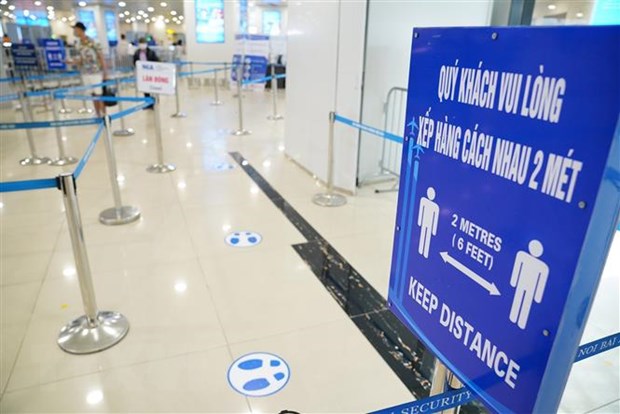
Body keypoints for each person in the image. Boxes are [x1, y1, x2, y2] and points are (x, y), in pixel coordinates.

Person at [70, 22, 108, 116]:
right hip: (85, 72)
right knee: (92, 94)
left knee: (99, 94)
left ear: (80, 29)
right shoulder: (78, 44)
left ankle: (104, 115)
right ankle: (97, 113)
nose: (74, 32)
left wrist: (105, 72)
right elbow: (81, 59)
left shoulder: (93, 42)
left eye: (75, 29)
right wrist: (72, 62)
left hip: (95, 72)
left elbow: (101, 56)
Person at [133, 37, 159, 109]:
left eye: (143, 43)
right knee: (145, 88)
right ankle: (148, 103)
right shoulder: (137, 53)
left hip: (151, 73)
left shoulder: (151, 52)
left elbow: (156, 61)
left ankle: (154, 102)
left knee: (153, 88)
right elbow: (134, 62)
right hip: (142, 73)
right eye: (141, 43)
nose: (142, 45)